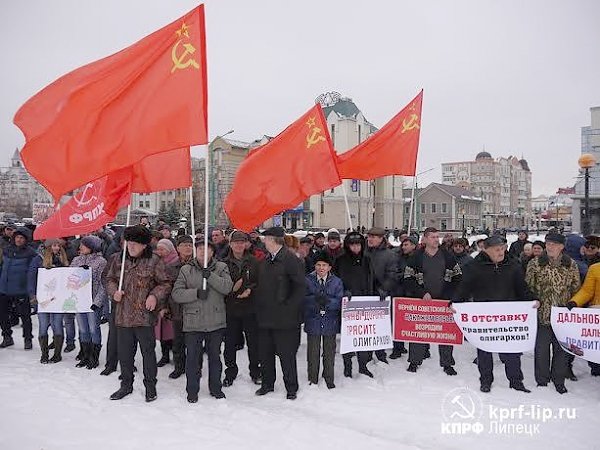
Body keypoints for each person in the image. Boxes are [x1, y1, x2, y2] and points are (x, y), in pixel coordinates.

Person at [452, 235, 535, 393]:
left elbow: (521, 288)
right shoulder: (474, 266)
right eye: (497, 249)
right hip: (485, 317)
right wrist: (455, 302)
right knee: (484, 351)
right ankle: (486, 380)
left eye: (503, 248)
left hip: (508, 317)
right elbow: (464, 288)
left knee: (511, 352)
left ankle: (516, 381)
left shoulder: (513, 265)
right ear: (486, 249)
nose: (501, 252)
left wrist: (532, 300)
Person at [105, 225, 172, 402]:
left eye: (135, 244)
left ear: (144, 245)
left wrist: (154, 296)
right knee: (125, 355)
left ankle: (151, 386)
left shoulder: (154, 260)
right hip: (123, 316)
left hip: (144, 317)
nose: (131, 247)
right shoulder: (118, 259)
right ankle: (126, 385)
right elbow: (109, 279)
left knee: (148, 353)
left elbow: (165, 283)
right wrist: (114, 292)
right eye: (129, 243)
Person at [172, 240, 233, 403]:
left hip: (215, 322)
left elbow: (228, 287)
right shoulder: (186, 269)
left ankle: (216, 388)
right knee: (192, 359)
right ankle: (192, 390)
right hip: (193, 322)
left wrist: (210, 276)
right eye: (199, 249)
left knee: (215, 357)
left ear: (212, 252)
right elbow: (176, 294)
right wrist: (196, 293)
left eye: (206, 249)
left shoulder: (221, 268)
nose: (202, 252)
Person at [526, 233, 580, 394]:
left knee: (561, 351)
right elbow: (528, 287)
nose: (550, 247)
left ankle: (559, 380)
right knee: (541, 350)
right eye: (548, 244)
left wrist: (572, 305)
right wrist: (534, 300)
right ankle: (542, 380)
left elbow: (576, 288)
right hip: (542, 315)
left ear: (562, 247)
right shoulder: (535, 264)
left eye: (554, 244)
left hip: (563, 318)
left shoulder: (570, 264)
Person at [254, 227, 305, 400]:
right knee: (265, 354)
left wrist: (289, 308)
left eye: (266, 239)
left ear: (274, 240)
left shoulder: (291, 260)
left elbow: (300, 288)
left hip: (285, 319)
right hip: (266, 317)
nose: (264, 242)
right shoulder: (267, 261)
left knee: (286, 355)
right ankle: (267, 384)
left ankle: (291, 387)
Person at [404, 227, 462, 375]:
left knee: (445, 334)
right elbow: (408, 278)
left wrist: (449, 294)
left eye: (437, 237)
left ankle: (447, 363)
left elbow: (458, 276)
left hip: (443, 302)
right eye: (432, 237)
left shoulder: (447, 256)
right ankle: (414, 361)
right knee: (418, 332)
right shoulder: (416, 257)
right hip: (422, 302)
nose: (436, 239)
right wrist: (422, 293)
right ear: (424, 239)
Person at [333, 231, 376, 377]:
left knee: (362, 337)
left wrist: (379, 292)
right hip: (348, 305)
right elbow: (334, 281)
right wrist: (343, 292)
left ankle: (363, 365)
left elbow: (372, 279)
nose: (356, 248)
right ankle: (347, 366)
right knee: (348, 337)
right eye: (352, 245)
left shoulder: (367, 260)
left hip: (364, 303)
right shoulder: (340, 260)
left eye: (358, 244)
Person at [222, 231, 261, 387]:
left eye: (242, 242)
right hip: (230, 309)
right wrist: (232, 292)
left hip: (250, 309)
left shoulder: (254, 262)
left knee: (253, 343)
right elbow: (220, 286)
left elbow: (260, 283)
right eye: (235, 242)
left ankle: (255, 371)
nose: (238, 245)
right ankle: (230, 372)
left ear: (246, 244)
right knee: (230, 344)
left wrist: (251, 290)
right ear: (230, 244)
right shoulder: (223, 263)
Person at [304, 251, 343, 388]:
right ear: (314, 266)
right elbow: (303, 298)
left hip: (330, 321)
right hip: (313, 320)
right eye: (318, 265)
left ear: (329, 267)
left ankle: (329, 377)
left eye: (324, 265)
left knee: (329, 352)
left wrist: (327, 301)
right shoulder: (307, 280)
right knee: (313, 352)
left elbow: (339, 301)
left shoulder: (336, 282)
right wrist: (314, 300)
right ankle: (312, 377)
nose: (321, 268)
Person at [28, 239, 69, 363]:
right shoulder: (38, 259)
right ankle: (44, 354)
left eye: (58, 245)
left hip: (58, 299)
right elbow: (31, 277)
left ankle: (57, 354)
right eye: (54, 245)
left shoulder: (63, 260)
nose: (56, 248)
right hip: (43, 299)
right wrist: (32, 295)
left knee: (57, 324)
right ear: (48, 247)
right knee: (43, 325)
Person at [71, 235, 107, 370]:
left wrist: (97, 302)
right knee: (83, 329)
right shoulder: (76, 260)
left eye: (84, 245)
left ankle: (94, 357)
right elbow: (69, 277)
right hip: (79, 300)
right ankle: (85, 355)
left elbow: (103, 284)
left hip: (92, 301)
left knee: (93, 329)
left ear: (92, 247)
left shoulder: (101, 262)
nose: (80, 247)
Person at [0, 227, 37, 349]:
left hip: (21, 290)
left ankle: (28, 339)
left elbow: (33, 272)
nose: (19, 240)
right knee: (3, 316)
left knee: (25, 316)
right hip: (4, 289)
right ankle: (7, 337)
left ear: (26, 240)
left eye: (21, 238)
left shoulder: (31, 253)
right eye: (17, 237)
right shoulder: (6, 250)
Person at [365, 227, 398, 364]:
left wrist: (385, 288)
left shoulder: (389, 255)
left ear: (381, 239)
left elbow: (393, 274)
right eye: (369, 236)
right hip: (364, 295)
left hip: (380, 296)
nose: (370, 239)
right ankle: (365, 353)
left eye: (374, 237)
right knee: (366, 327)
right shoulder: (363, 253)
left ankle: (380, 353)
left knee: (379, 327)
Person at [167, 235, 195, 379]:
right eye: (184, 245)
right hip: (177, 309)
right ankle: (179, 366)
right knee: (178, 341)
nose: (188, 248)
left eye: (190, 245)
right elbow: (167, 288)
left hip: (195, 309)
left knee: (194, 342)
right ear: (177, 248)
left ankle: (194, 367)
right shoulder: (172, 267)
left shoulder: (199, 265)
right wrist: (166, 307)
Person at [389, 236, 418, 359]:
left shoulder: (421, 258)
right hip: (399, 293)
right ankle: (398, 348)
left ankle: (421, 351)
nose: (404, 247)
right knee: (398, 323)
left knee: (415, 325)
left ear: (414, 245)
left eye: (407, 244)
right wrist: (405, 274)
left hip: (415, 294)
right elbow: (393, 273)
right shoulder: (397, 258)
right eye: (403, 244)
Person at [154, 239, 180, 368]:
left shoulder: (176, 262)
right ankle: (164, 356)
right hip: (160, 302)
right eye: (158, 249)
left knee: (173, 333)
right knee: (163, 331)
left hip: (173, 303)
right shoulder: (158, 263)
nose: (159, 251)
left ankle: (177, 357)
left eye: (162, 249)